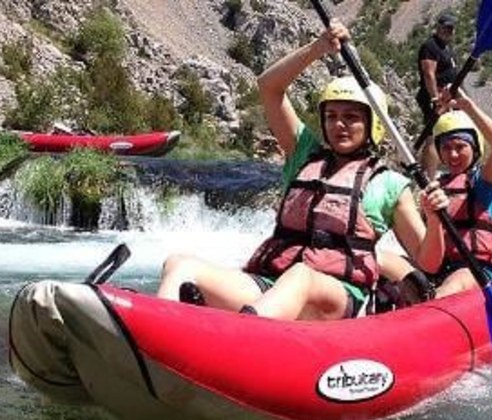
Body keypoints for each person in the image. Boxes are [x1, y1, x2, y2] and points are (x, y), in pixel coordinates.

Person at [157, 21, 446, 320]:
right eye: (331, 116)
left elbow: (427, 260)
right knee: (180, 265)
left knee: (301, 277)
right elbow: (269, 87)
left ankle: (239, 338)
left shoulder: (390, 184)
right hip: (272, 287)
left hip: (335, 298)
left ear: (372, 124)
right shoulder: (304, 154)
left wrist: (435, 220)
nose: (339, 124)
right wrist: (318, 48)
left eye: (350, 117)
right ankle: (158, 335)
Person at [420, 86, 492, 298]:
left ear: (475, 148)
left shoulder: (485, 182)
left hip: (479, 272)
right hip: (441, 271)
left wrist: (468, 107)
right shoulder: (436, 189)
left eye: (460, 146)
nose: (452, 154)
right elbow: (428, 260)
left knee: (457, 281)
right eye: (445, 147)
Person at [416, 11, 459, 174]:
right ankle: (429, 177)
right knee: (432, 136)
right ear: (439, 27)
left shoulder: (446, 48)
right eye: (446, 27)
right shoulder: (431, 46)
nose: (449, 31)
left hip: (446, 96)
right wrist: (435, 97)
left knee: (443, 133)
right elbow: (429, 73)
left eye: (451, 28)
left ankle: (426, 171)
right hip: (434, 97)